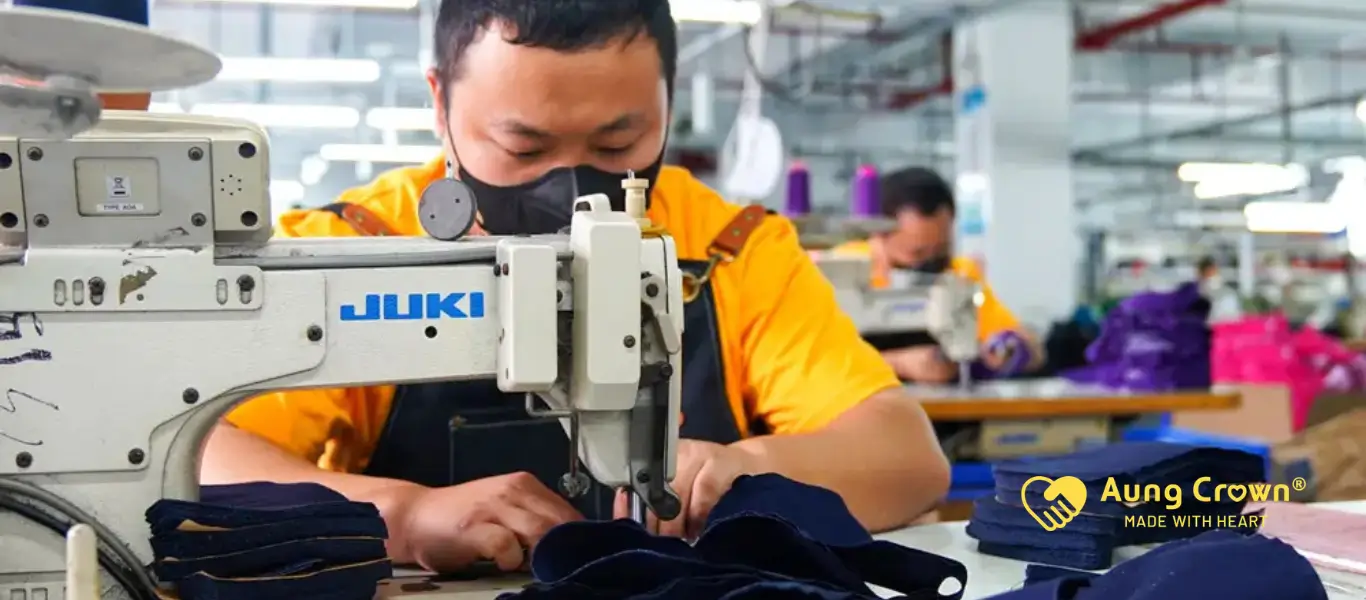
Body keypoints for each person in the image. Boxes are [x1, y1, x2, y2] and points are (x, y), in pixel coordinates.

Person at [201, 0, 949, 575]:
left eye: (618, 145)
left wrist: (746, 469)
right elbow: (202, 456)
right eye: (523, 147)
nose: (572, 187)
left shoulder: (733, 247)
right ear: (440, 106)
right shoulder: (361, 246)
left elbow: (908, 460)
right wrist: (401, 513)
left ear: (667, 100)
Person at [833, 166, 1045, 383]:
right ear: (879, 233)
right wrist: (897, 363)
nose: (930, 262)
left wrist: (1013, 349)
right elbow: (816, 365)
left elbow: (1033, 349)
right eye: (917, 252)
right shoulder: (839, 273)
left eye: (941, 249)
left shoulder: (960, 273)